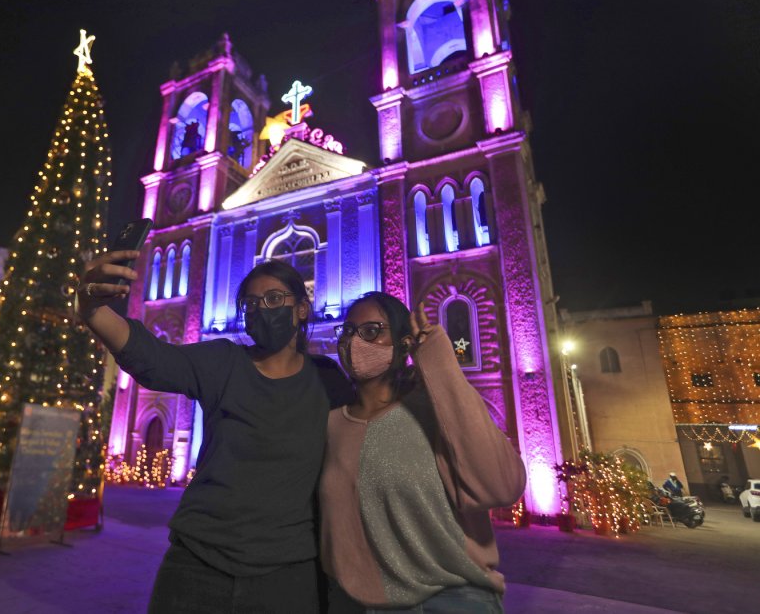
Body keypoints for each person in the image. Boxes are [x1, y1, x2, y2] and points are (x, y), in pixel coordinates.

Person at [76, 251, 352, 613]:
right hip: (197, 567)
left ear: (302, 308)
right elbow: (154, 359)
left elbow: (360, 447)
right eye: (251, 304)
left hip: (287, 575)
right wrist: (91, 307)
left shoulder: (325, 378)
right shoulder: (224, 362)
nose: (261, 310)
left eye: (273, 299)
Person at [320, 292, 526, 613]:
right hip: (354, 603)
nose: (354, 341)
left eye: (372, 331)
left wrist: (438, 361)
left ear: (403, 343)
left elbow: (501, 485)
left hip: (449, 600)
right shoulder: (333, 425)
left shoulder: (433, 411)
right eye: (347, 331)